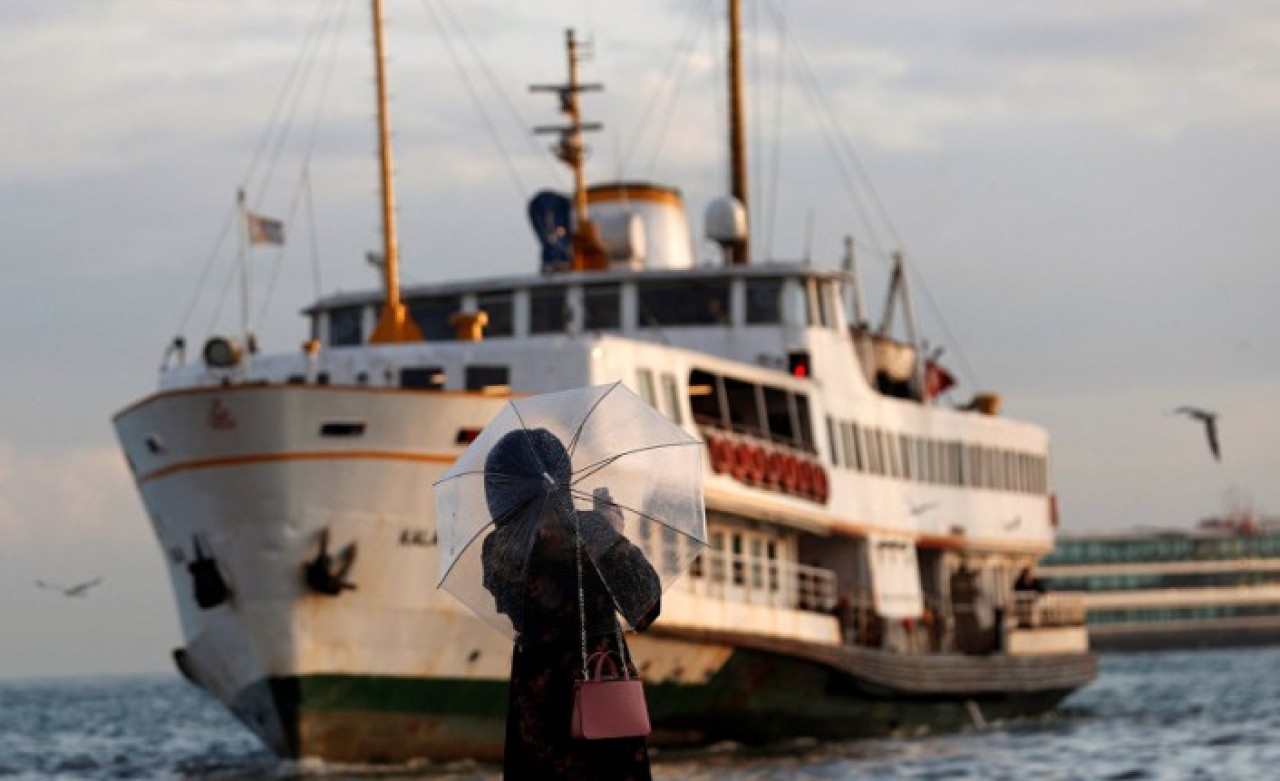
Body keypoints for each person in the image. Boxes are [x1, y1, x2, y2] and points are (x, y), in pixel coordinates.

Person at [482, 428, 661, 780]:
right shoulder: (594, 531)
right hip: (603, 686)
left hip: (537, 703)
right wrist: (611, 533)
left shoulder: (497, 549)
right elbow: (645, 608)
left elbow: (510, 604)